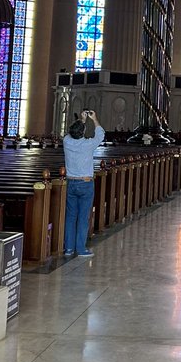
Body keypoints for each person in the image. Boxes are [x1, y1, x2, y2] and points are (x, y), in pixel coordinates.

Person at [61, 109, 104, 257]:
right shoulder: (88, 144)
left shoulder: (66, 142)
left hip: (71, 183)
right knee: (83, 217)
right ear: (83, 132)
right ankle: (80, 249)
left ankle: (68, 248)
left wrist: (82, 121)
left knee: (71, 216)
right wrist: (94, 119)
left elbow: (71, 134)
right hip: (85, 184)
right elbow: (100, 134)